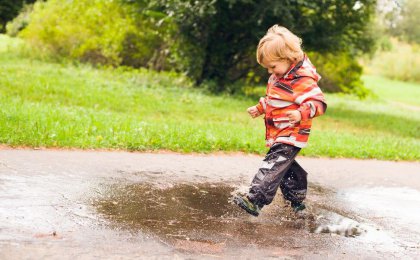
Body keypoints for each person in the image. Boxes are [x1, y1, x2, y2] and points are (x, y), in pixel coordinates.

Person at [233, 25, 327, 217]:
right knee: (285, 166)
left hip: (292, 133)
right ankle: (297, 200)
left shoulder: (302, 79)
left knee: (274, 163)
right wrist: (260, 108)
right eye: (267, 68)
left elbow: (319, 102)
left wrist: (301, 113)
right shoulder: (280, 76)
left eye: (272, 66)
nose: (270, 71)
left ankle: (255, 200)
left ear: (289, 58)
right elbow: (275, 99)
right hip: (280, 132)